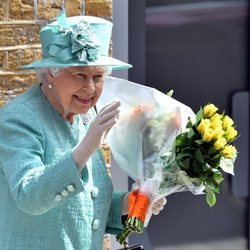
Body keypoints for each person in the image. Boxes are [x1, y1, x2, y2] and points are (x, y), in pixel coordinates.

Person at [0, 10, 167, 250]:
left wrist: (125, 205)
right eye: (79, 75)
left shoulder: (84, 117)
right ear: (50, 74)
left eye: (98, 76)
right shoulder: (20, 119)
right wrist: (86, 147)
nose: (90, 88)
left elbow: (83, 205)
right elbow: (29, 196)